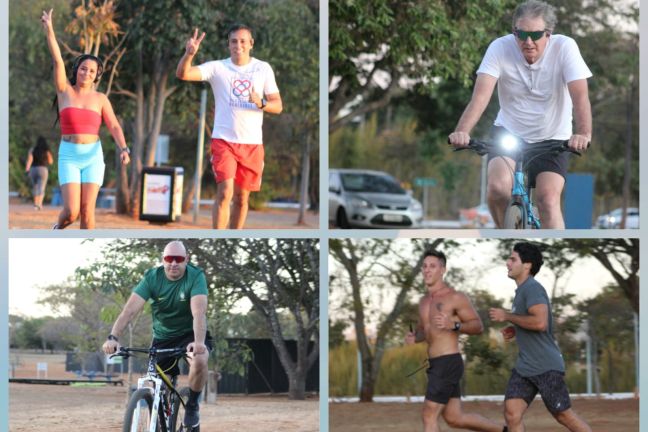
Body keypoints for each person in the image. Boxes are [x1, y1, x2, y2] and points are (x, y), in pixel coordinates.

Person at [448, 0, 592, 229]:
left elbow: (580, 96)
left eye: (535, 35)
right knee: (497, 189)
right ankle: (504, 236)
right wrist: (462, 131)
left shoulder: (565, 47)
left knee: (548, 200)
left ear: (549, 33)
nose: (527, 42)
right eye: (521, 34)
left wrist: (583, 133)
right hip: (509, 132)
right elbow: (480, 96)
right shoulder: (499, 47)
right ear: (514, 31)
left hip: (553, 137)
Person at [176, 24, 283, 229]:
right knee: (225, 192)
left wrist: (261, 103)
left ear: (251, 44)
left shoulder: (263, 68)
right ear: (228, 44)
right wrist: (189, 55)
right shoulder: (217, 68)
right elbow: (184, 74)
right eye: (234, 41)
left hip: (252, 144)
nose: (238, 45)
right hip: (224, 141)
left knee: (242, 199)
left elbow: (278, 106)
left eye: (243, 41)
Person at [102, 241, 211, 430]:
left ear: (186, 259)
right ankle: (161, 419)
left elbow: (198, 313)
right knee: (157, 384)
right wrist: (113, 337)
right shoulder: (152, 277)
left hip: (190, 335)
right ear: (163, 260)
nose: (173, 263)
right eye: (169, 259)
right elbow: (129, 311)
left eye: (178, 259)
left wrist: (199, 343)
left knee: (200, 359)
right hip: (163, 337)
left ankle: (192, 405)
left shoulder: (195, 276)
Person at [41, 8, 130, 229]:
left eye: (92, 71)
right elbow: (57, 60)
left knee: (87, 213)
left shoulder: (101, 98)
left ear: (96, 75)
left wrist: (124, 148)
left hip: (92, 156)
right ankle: (56, 230)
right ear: (77, 70)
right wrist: (50, 29)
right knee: (71, 212)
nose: (86, 73)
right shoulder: (64, 91)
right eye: (83, 69)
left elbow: (114, 126)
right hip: (69, 155)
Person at [489, 242, 591, 432]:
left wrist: (508, 316)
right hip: (525, 366)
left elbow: (540, 323)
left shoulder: (532, 288)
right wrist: (515, 328)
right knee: (512, 413)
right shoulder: (521, 291)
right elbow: (530, 321)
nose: (507, 263)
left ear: (527, 265)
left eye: (513, 259)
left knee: (563, 415)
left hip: (546, 366)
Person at [405, 250, 506, 432]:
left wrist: (454, 325)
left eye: (433, 266)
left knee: (429, 414)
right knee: (454, 418)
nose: (427, 270)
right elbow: (424, 331)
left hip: (448, 361)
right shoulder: (423, 301)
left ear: (443, 270)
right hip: (435, 363)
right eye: (425, 266)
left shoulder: (455, 297)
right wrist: (415, 338)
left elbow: (477, 326)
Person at [25, 136, 54, 210]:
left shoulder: (32, 149)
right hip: (43, 169)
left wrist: (27, 170)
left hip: (33, 169)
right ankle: (39, 204)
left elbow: (29, 160)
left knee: (35, 187)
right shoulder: (46, 151)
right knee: (41, 187)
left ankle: (35, 204)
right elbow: (51, 161)